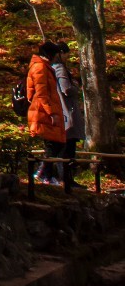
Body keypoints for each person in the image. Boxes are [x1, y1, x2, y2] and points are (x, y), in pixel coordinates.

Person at [27, 39, 69, 184]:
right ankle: (43, 173)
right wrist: (51, 113)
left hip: (47, 110)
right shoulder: (40, 68)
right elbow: (41, 93)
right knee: (54, 144)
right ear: (50, 54)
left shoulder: (44, 67)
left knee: (56, 143)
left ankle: (47, 175)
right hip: (43, 112)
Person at [50, 42, 85, 187]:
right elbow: (66, 89)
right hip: (67, 112)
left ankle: (66, 178)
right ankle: (66, 179)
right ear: (61, 53)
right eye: (66, 54)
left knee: (64, 148)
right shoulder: (60, 69)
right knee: (68, 148)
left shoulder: (52, 68)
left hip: (61, 112)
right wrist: (76, 87)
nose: (67, 57)